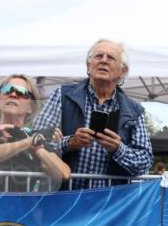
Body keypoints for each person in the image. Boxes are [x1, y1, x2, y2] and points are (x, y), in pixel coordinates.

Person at [33, 39, 153, 189]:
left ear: (123, 71)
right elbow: (36, 140)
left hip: (110, 204)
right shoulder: (63, 95)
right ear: (88, 65)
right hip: (63, 197)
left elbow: (144, 162)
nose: (103, 61)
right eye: (98, 56)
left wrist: (118, 149)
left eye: (111, 57)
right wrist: (69, 143)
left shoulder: (134, 110)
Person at [0, 75, 70, 192]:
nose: (13, 95)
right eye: (7, 90)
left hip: (20, 209)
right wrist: (28, 142)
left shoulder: (35, 139)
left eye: (21, 92)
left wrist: (36, 146)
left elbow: (63, 173)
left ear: (31, 106)